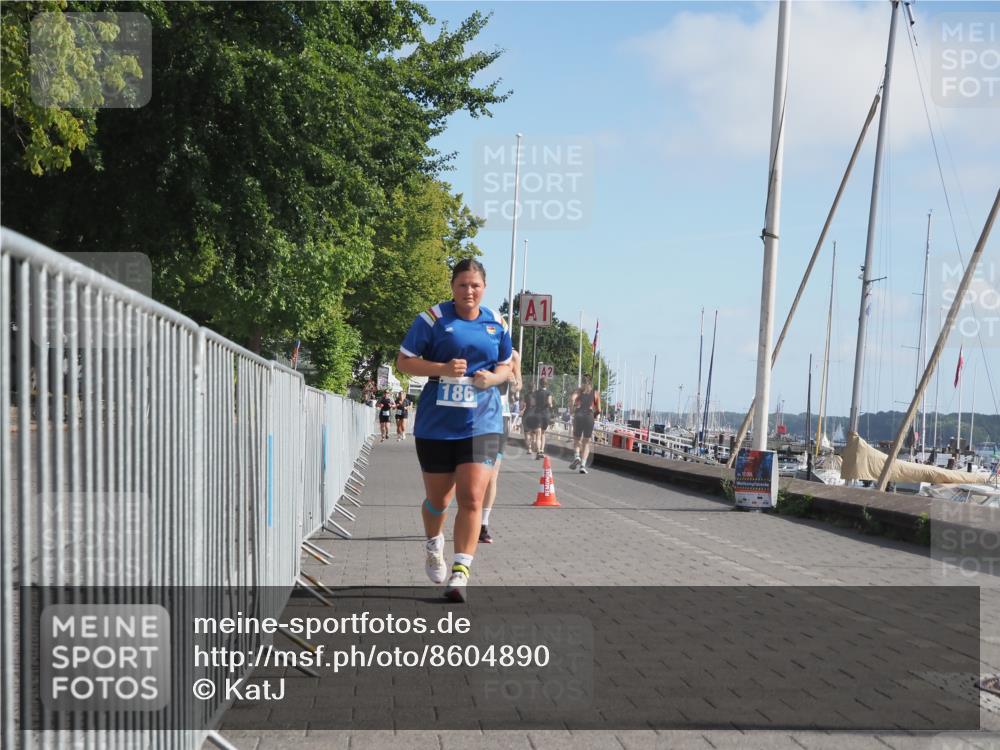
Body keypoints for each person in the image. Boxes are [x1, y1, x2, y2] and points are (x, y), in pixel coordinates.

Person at [396, 259, 512, 602]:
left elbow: (506, 365)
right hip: (437, 423)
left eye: (475, 285)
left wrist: (494, 377)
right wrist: (442, 368)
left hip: (483, 421)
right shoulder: (433, 319)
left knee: (472, 496)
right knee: (438, 500)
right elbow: (403, 361)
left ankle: (461, 571)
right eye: (462, 285)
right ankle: (434, 544)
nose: (469, 291)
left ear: (484, 288)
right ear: (452, 287)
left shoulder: (497, 323)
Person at [480, 348, 521, 544]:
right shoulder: (481, 345)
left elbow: (518, 386)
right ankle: (466, 514)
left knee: (492, 475)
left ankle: (483, 524)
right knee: (467, 471)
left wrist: (514, 382)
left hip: (500, 418)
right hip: (478, 414)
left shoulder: (513, 355)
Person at [570, 375, 600, 474]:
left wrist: (572, 411)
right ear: (591, 382)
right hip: (589, 417)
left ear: (582, 382)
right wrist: (594, 415)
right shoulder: (595, 393)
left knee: (577, 439)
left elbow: (572, 399)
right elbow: (599, 409)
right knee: (586, 442)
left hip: (578, 415)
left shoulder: (578, 391)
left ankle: (577, 456)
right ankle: (583, 465)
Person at [532, 377, 555, 459]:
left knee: (538, 434)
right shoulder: (549, 393)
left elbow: (533, 403)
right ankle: (542, 450)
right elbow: (549, 403)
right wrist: (551, 405)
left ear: (540, 384)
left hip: (537, 414)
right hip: (545, 414)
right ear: (547, 384)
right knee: (543, 433)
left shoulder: (535, 393)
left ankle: (538, 451)